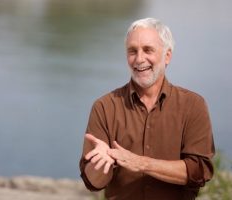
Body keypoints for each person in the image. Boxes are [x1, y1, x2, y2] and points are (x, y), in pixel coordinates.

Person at [79, 18, 215, 200]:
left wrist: (140, 163)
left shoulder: (193, 105)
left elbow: (199, 172)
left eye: (148, 50)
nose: (139, 59)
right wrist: (100, 163)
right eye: (132, 51)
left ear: (167, 56)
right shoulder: (104, 107)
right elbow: (94, 184)